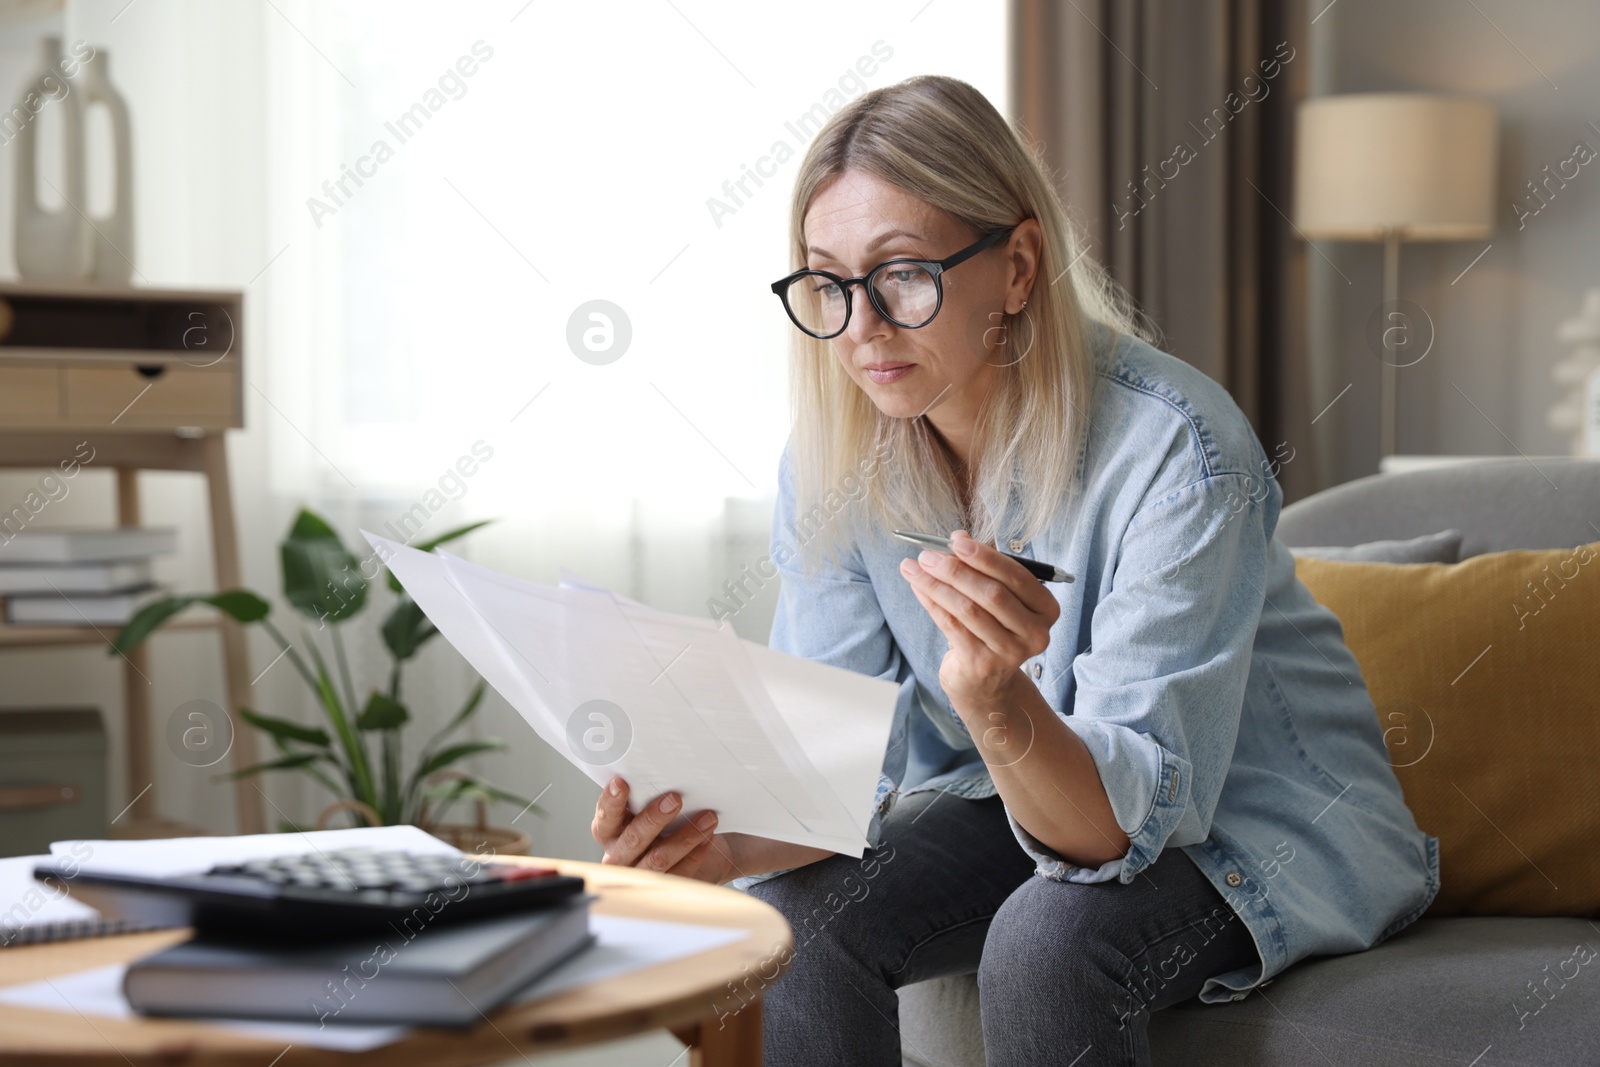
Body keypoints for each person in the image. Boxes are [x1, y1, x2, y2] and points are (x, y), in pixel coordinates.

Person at [590, 74, 1439, 1067]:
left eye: (902, 273)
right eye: (827, 281)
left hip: (1255, 820)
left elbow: (1122, 826)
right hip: (1018, 797)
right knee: (792, 909)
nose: (860, 327)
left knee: (1047, 940)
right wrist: (714, 842)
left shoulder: (1179, 449)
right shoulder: (834, 458)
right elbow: (826, 765)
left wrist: (997, 706)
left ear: (1018, 266)